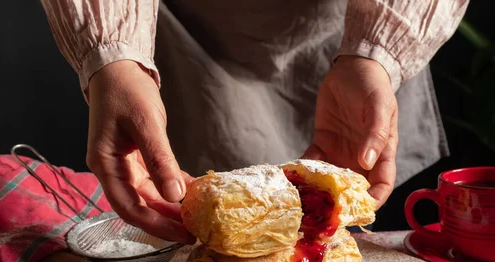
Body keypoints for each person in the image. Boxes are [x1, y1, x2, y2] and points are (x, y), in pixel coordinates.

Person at [40, 0, 468, 243]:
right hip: (188, 37)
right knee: (211, 229)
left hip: (365, 24)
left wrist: (377, 55)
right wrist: (113, 58)